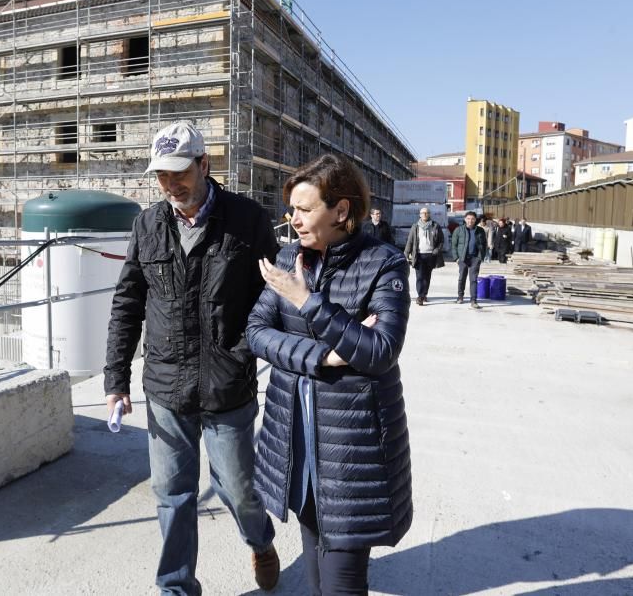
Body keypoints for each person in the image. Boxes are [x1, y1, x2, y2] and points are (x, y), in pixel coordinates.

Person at [103, 120, 280, 595]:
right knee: (172, 495)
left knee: (239, 490)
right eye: (160, 175)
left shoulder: (248, 220)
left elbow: (274, 296)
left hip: (227, 384)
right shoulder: (147, 224)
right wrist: (116, 380)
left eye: (179, 172)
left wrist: (246, 348)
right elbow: (128, 303)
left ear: (205, 164)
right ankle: (176, 587)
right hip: (165, 386)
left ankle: (260, 540)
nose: (170, 184)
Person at [247, 154, 413, 595]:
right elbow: (257, 333)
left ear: (341, 211)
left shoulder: (384, 264)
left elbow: (380, 350)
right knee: (315, 575)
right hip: (295, 445)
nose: (293, 219)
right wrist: (322, 357)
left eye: (304, 209)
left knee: (341, 582)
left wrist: (308, 303)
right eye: (292, 210)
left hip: (350, 453)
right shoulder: (287, 258)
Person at [403, 207, 445, 305]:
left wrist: (436, 250)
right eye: (423, 213)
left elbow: (441, 241)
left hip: (431, 255)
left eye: (426, 213)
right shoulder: (415, 226)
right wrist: (406, 253)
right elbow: (410, 240)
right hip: (419, 255)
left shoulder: (435, 225)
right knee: (420, 276)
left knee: (427, 276)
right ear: (420, 214)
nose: (424, 214)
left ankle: (424, 294)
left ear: (429, 214)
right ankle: (420, 296)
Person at [451, 210, 488, 309]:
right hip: (462, 258)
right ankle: (460, 297)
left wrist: (481, 257)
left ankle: (473, 300)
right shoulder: (459, 230)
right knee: (462, 278)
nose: (470, 221)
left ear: (475, 220)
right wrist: (456, 258)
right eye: (468, 219)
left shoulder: (480, 231)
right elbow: (453, 245)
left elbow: (484, 244)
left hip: (475, 258)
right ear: (465, 219)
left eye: (472, 219)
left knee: (474, 279)